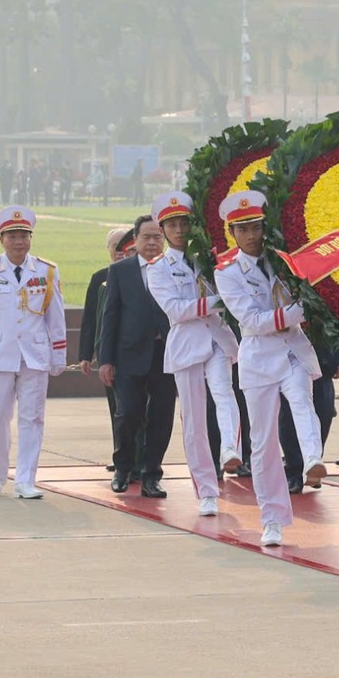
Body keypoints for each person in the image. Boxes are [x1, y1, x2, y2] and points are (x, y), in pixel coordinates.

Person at [212, 189, 328, 547]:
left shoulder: (283, 260)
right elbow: (251, 320)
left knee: (303, 402)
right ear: (233, 233)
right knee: (262, 443)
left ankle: (312, 460)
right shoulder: (228, 273)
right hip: (259, 356)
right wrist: (299, 311)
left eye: (256, 227)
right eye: (243, 229)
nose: (251, 235)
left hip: (292, 349)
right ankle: (272, 518)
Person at [0, 206, 68, 498]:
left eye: (24, 235)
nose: (19, 242)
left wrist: (59, 354)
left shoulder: (46, 270)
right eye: (12, 236)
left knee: (32, 418)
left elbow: (56, 317)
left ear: (31, 238)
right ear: (2, 239)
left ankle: (25, 479)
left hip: (34, 354)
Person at [146, 191, 236, 515]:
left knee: (224, 393)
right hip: (186, 344)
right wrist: (219, 301)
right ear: (163, 230)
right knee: (194, 421)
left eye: (184, 223)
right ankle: (206, 490)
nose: (180, 230)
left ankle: (230, 450)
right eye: (172, 225)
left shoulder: (210, 258)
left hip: (217, 338)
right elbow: (175, 309)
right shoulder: (158, 268)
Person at [97, 216, 176, 497]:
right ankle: (123, 468)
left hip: (166, 354)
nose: (152, 242)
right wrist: (105, 360)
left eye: (157, 237)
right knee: (128, 412)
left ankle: (151, 475)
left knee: (161, 416)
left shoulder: (175, 268)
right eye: (146, 237)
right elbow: (110, 317)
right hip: (129, 355)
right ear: (136, 240)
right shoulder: (120, 271)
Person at [78, 226, 132, 471]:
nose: (120, 250)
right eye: (115, 246)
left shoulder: (146, 273)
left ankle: (142, 458)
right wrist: (85, 354)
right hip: (109, 352)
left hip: (137, 350)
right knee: (117, 408)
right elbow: (91, 318)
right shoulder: (101, 277)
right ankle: (121, 456)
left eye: (125, 245)